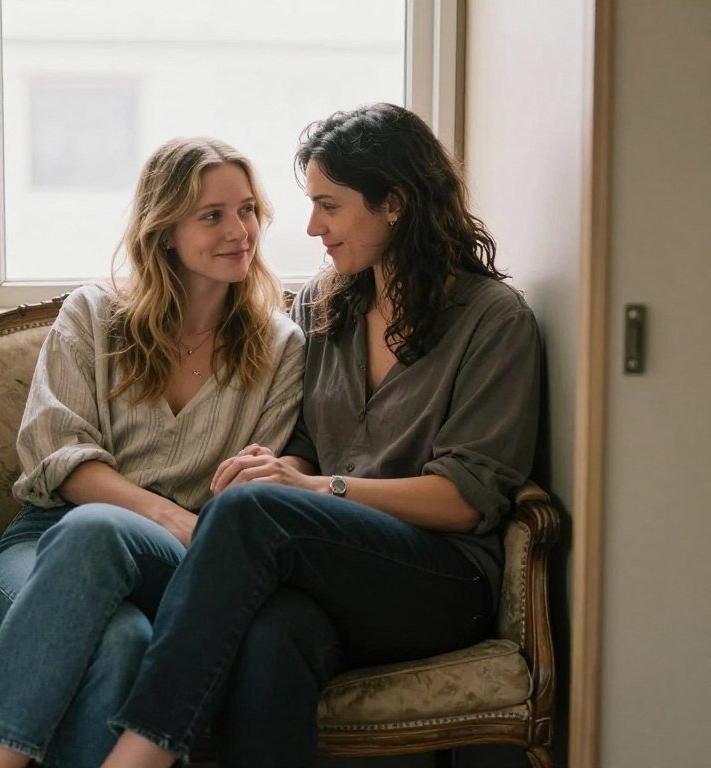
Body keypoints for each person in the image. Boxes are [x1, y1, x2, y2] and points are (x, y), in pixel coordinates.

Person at [101, 103, 542, 768]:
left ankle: (139, 754)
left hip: (441, 581)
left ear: (393, 203)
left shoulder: (492, 321)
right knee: (273, 636)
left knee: (250, 511)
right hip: (333, 573)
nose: (312, 227)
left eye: (330, 206)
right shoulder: (326, 302)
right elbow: (308, 436)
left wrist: (314, 487)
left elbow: (464, 499)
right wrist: (278, 464)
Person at [0, 137, 305, 768]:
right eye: (212, 215)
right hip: (48, 546)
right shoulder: (93, 314)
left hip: (188, 561)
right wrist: (165, 514)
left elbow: (260, 476)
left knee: (106, 543)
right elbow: (62, 455)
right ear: (164, 229)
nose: (240, 231)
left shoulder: (280, 346)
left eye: (249, 209)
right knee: (122, 638)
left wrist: (180, 526)